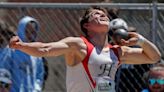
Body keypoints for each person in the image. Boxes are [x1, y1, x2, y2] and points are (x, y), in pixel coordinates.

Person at [9, 6, 161, 92]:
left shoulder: (117, 51)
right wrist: (21, 45)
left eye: (104, 15)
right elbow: (45, 48)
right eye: (96, 15)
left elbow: (154, 57)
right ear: (86, 26)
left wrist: (140, 40)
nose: (102, 15)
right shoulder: (78, 45)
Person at [6, 16, 48, 92]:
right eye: (26, 32)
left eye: (33, 32)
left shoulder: (36, 53)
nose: (29, 35)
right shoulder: (11, 51)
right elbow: (5, 71)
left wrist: (36, 89)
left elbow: (39, 75)